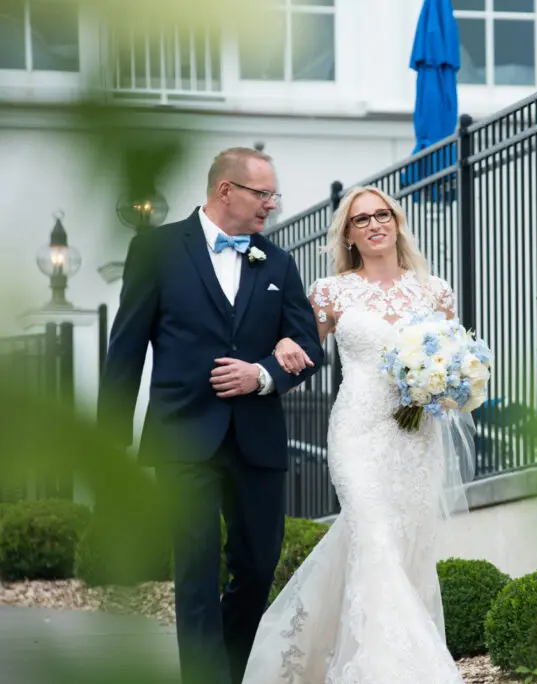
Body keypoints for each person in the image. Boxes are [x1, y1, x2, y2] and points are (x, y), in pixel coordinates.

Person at [96, 147, 325, 684]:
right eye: (262, 194)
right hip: (182, 437)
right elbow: (126, 347)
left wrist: (263, 373)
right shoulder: (155, 250)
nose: (271, 204)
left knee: (257, 567)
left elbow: (309, 346)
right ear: (226, 191)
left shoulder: (278, 262)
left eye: (273, 195)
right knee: (196, 571)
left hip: (258, 439)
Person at [240, 186, 473, 683]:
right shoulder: (332, 292)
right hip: (357, 434)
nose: (374, 225)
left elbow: (456, 361)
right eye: (361, 219)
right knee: (374, 539)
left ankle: (330, 657)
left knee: (405, 551)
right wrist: (281, 345)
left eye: (381, 214)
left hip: (417, 440)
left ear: (396, 221)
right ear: (348, 233)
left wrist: (444, 386)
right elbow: (301, 343)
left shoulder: (435, 291)